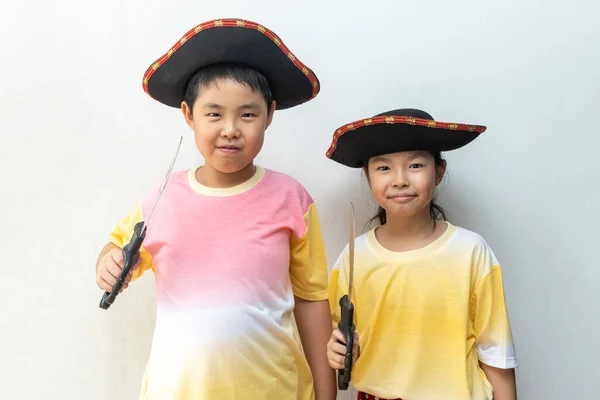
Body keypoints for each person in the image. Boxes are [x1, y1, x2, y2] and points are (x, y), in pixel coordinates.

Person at [95, 18, 335, 400]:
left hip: (275, 388)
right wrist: (108, 263)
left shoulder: (292, 199)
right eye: (214, 114)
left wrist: (326, 391)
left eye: (247, 114)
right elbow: (115, 251)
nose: (230, 129)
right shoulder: (160, 200)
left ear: (269, 115)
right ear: (189, 115)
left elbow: (311, 299)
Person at [325, 108, 518, 400]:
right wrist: (338, 350)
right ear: (367, 176)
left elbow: (497, 354)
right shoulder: (354, 258)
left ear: (438, 172)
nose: (400, 179)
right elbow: (337, 338)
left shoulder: (470, 252)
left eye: (415, 165)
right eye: (383, 167)